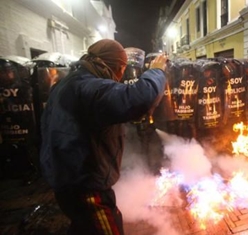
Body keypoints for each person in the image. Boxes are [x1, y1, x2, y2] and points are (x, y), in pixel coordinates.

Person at [39, 39, 167, 235]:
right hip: (86, 186)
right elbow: (139, 99)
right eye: (122, 68)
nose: (121, 75)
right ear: (113, 65)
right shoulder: (89, 88)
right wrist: (156, 71)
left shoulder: (68, 83)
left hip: (66, 180)